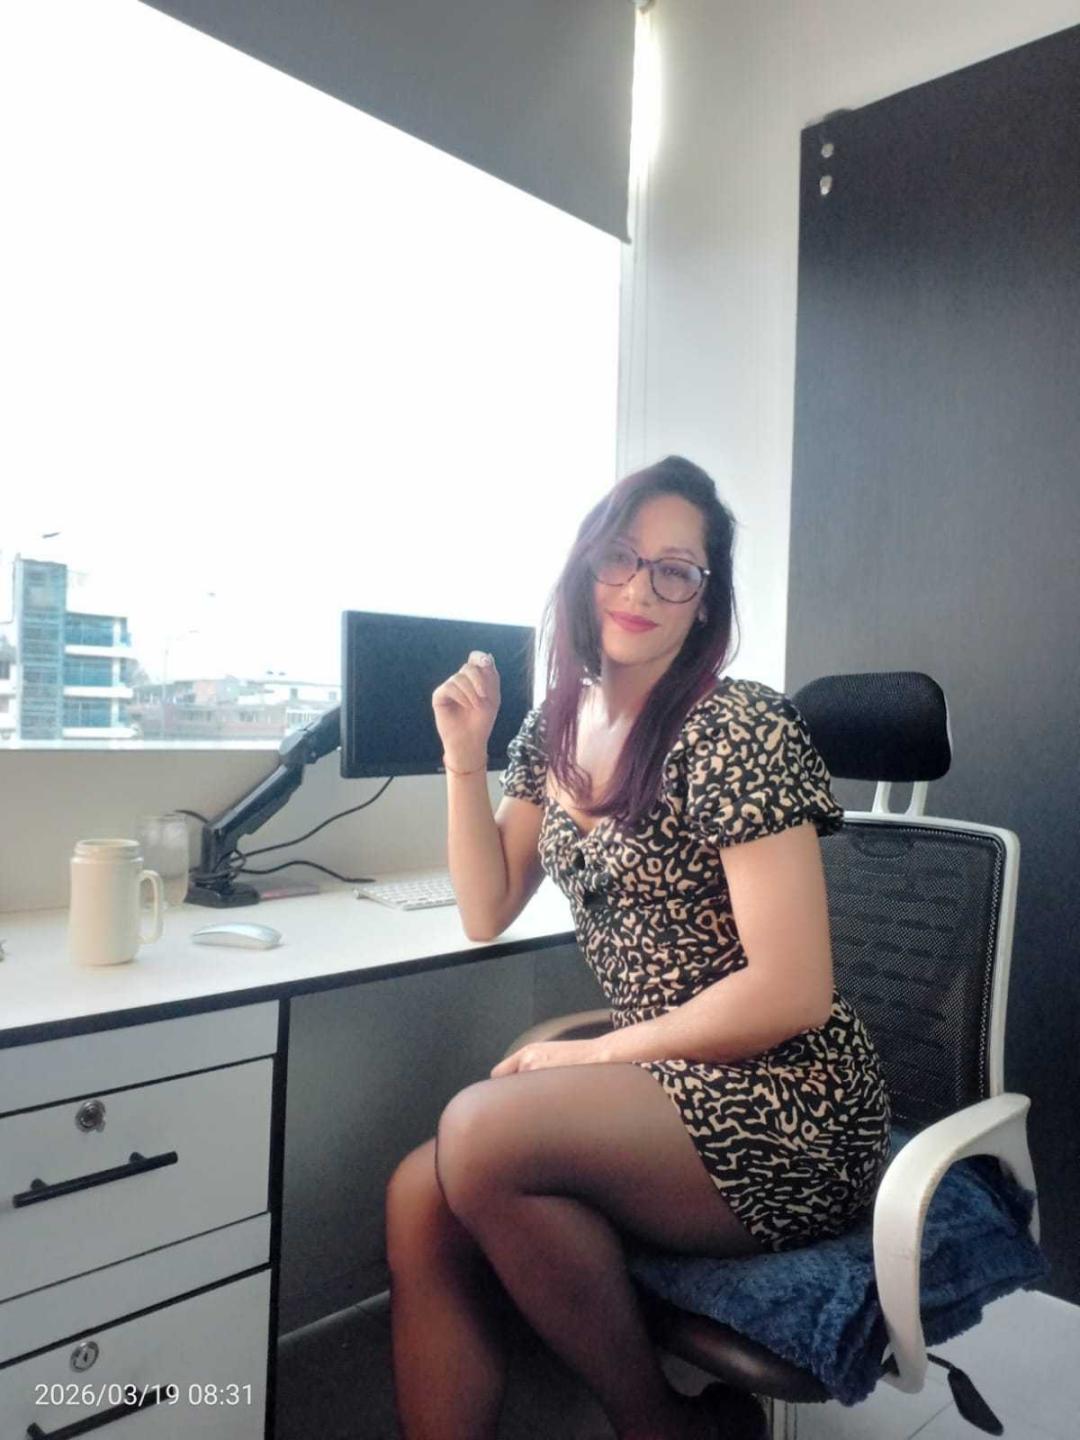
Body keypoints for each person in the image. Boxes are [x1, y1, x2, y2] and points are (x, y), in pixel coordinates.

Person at [385, 455, 892, 1440]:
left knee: (478, 1134)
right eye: (620, 557)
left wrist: (594, 1055)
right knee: (419, 1196)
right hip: (660, 1082)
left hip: (788, 1095)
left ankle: (656, 1424)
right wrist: (463, 756)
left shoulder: (737, 726)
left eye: (675, 570)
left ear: (705, 601)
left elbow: (792, 990)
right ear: (585, 568)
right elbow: (485, 907)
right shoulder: (553, 728)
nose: (640, 589)